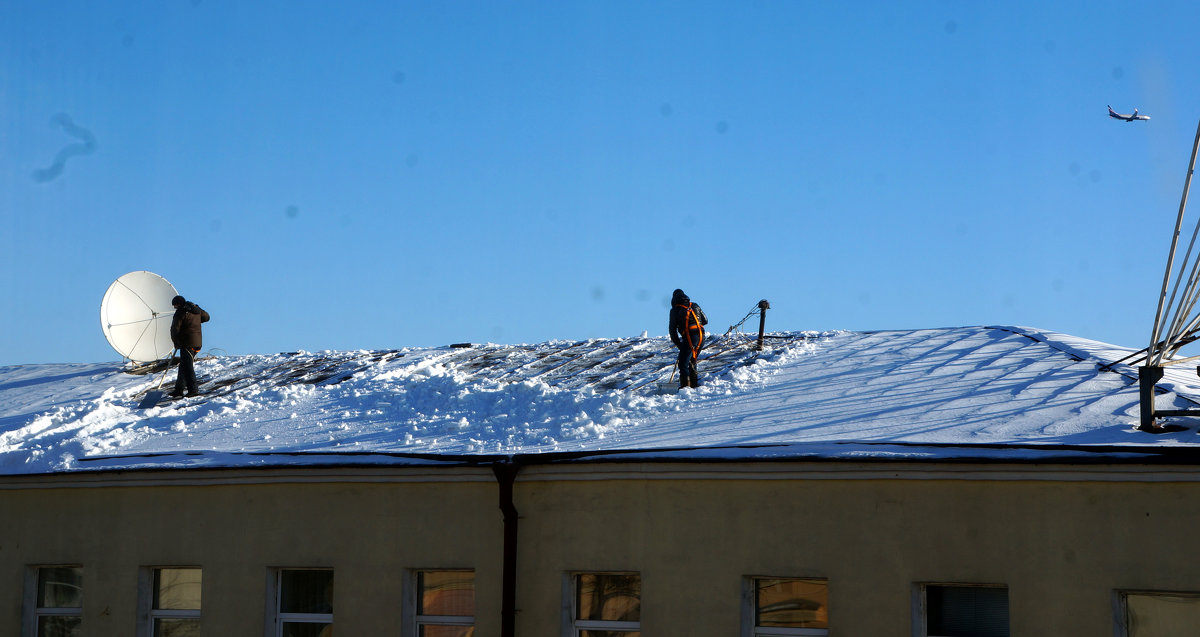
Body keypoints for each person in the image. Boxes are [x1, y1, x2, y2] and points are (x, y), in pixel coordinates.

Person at [169, 295, 210, 397]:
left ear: (178, 304)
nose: (175, 308)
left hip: (187, 343)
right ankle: (178, 389)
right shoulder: (195, 309)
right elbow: (206, 317)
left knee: (187, 367)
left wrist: (176, 343)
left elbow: (174, 329)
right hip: (197, 343)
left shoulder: (180, 312)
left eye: (175, 306)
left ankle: (193, 390)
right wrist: (197, 309)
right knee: (184, 365)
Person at [669, 288, 708, 389]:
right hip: (701, 336)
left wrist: (679, 345)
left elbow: (672, 331)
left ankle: (685, 388)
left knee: (683, 364)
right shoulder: (694, 305)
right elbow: (705, 321)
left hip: (690, 336)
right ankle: (694, 386)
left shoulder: (674, 310)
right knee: (692, 360)